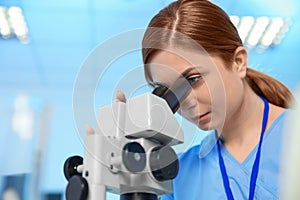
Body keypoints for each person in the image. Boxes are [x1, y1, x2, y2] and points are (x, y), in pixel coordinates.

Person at [87, 0, 295, 199]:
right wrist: (131, 177)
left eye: (193, 79)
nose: (186, 102)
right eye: (168, 92)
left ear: (238, 62)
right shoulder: (179, 176)